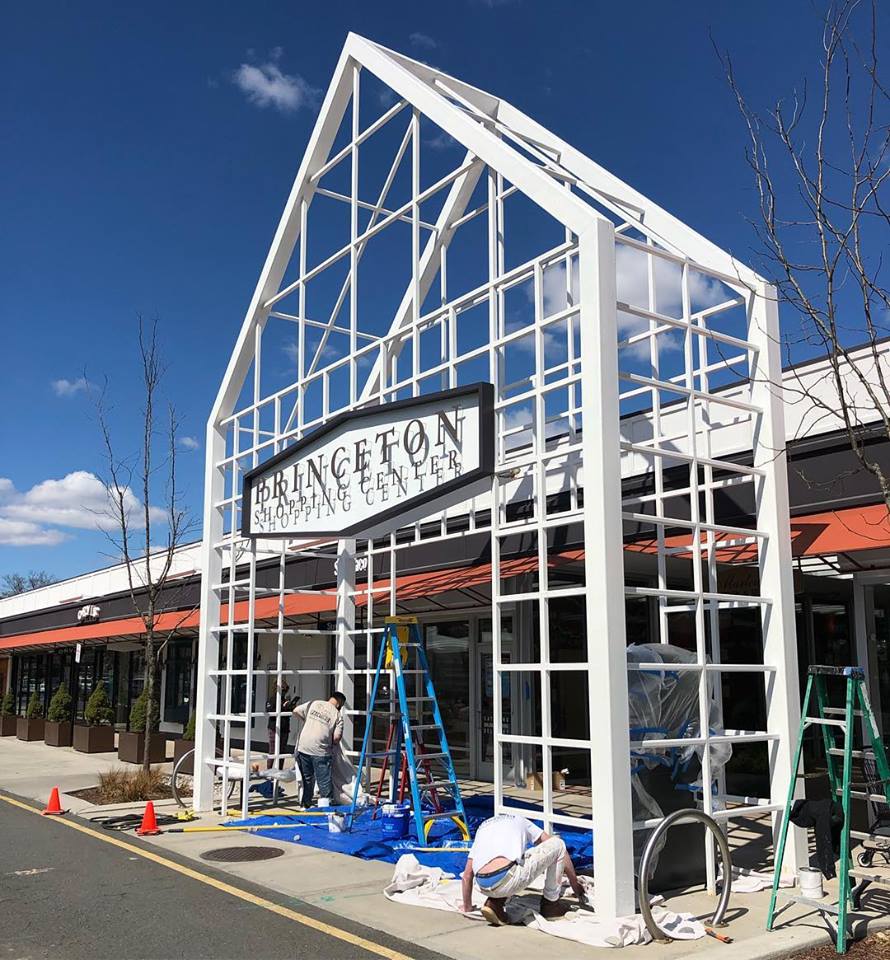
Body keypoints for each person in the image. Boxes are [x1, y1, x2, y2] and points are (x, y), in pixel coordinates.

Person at [460, 813, 585, 926]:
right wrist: (574, 883)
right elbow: (555, 847)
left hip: (482, 885)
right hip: (508, 879)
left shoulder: (482, 828)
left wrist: (467, 907)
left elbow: (467, 876)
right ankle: (551, 905)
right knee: (558, 844)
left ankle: (494, 903)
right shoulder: (521, 820)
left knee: (512, 862)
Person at [293, 691, 346, 807]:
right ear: (339, 704)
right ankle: (326, 808)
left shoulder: (314, 703)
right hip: (320, 751)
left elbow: (296, 710)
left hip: (303, 747)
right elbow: (336, 738)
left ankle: (306, 805)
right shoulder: (337, 714)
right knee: (324, 782)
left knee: (307, 779)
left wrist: (309, 720)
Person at [266, 681, 297, 770]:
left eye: (286, 690)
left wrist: (290, 707)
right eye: (283, 690)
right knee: (273, 751)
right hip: (274, 728)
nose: (285, 692)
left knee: (282, 751)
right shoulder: (272, 699)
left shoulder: (284, 700)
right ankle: (269, 771)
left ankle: (279, 770)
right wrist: (283, 707)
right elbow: (270, 711)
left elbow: (287, 714)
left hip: (284, 728)